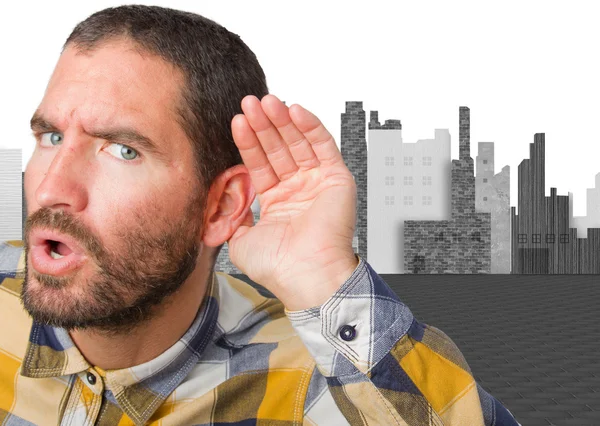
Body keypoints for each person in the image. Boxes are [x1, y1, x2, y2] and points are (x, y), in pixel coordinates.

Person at [0, 5, 521, 425]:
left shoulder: (317, 386)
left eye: (122, 150)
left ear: (222, 206)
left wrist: (322, 280)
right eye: (50, 137)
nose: (50, 189)